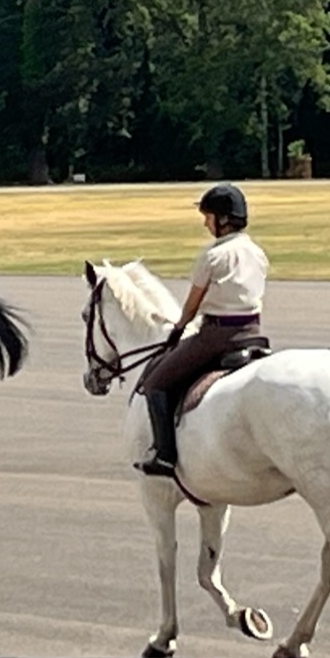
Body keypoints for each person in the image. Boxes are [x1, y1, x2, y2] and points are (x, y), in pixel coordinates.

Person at [135, 183, 270, 477]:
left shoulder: (213, 256)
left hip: (217, 337)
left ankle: (165, 455)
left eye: (208, 217)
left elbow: (193, 304)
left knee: (156, 383)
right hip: (253, 331)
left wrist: (178, 328)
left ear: (222, 220)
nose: (205, 223)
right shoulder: (258, 253)